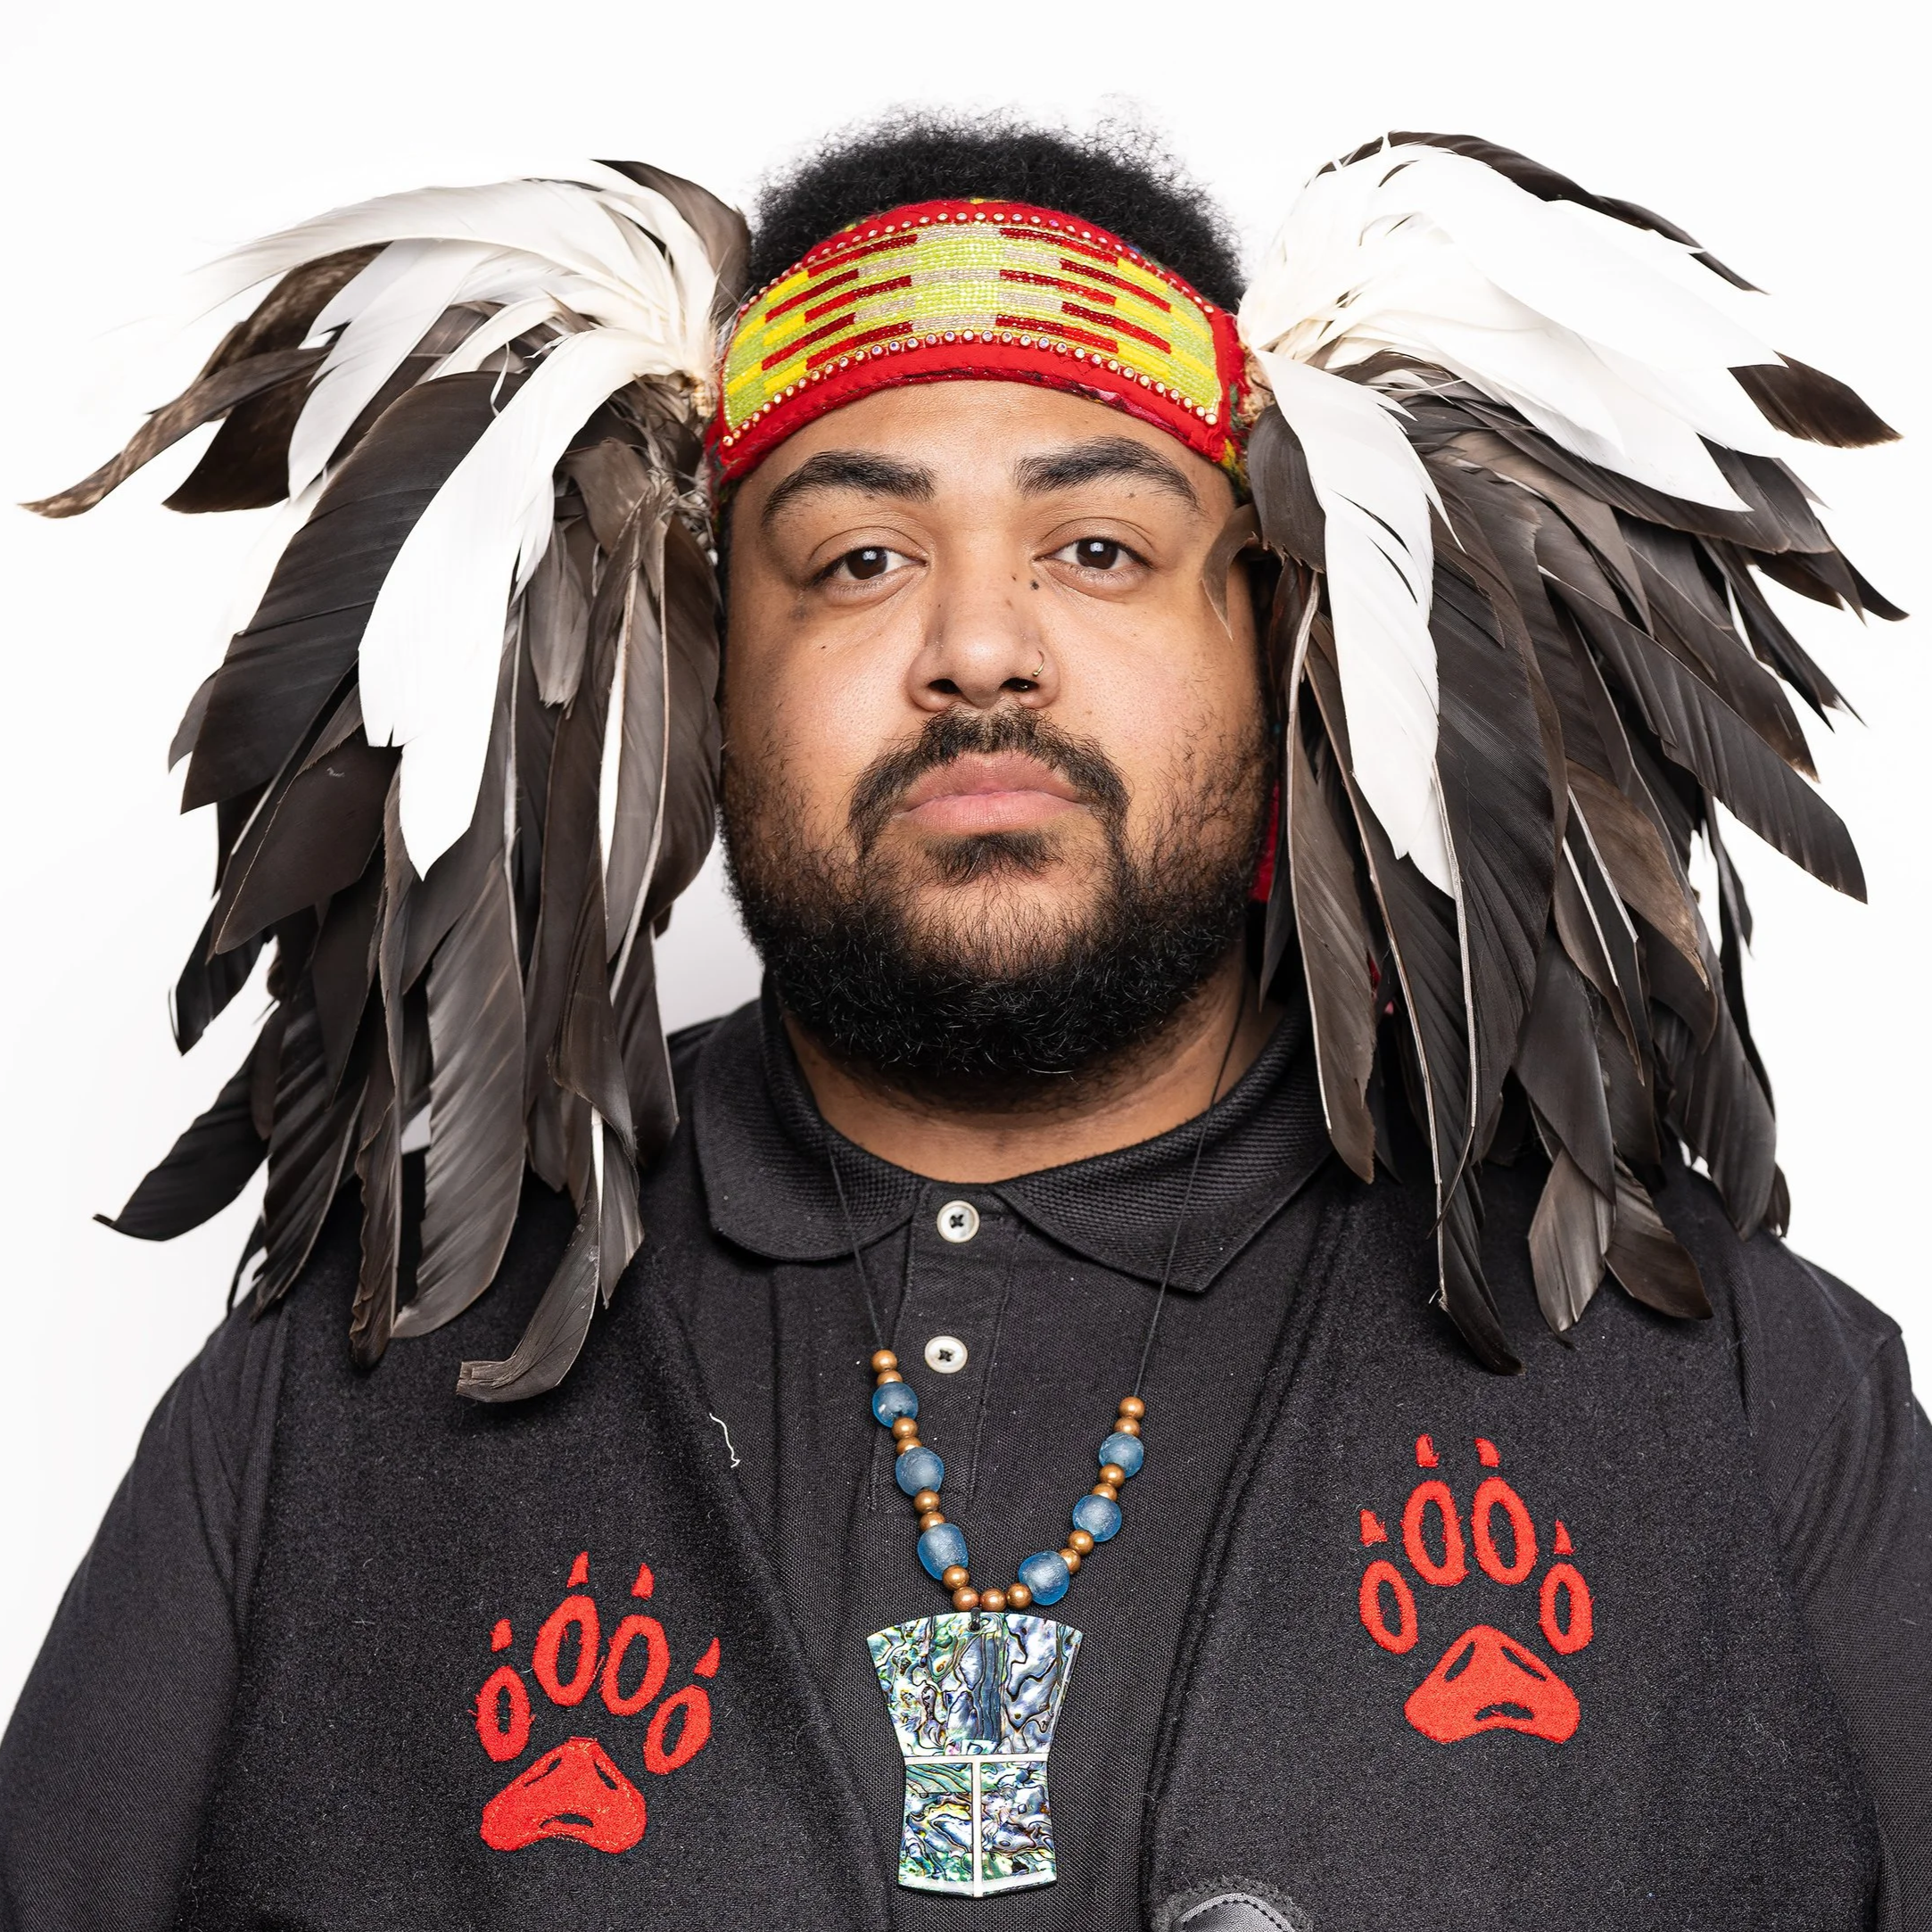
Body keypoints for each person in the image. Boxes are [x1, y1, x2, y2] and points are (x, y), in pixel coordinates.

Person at [0, 116, 1924, 1932]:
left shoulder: (1741, 1386)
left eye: (1098, 548)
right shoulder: (325, 1408)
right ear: (703, 665)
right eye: (859, 559)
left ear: (1281, 642)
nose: (980, 645)